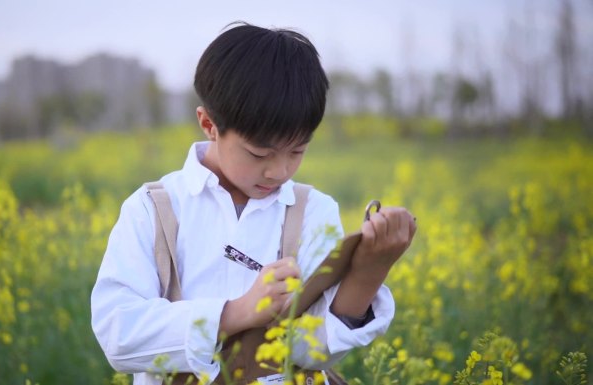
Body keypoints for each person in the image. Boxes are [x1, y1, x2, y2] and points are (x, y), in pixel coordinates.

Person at [91, 22, 416, 385]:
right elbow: (117, 334)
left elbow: (315, 351)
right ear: (209, 124)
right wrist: (235, 313)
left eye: (297, 151)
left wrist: (371, 268)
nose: (279, 170)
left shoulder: (312, 212)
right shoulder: (154, 210)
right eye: (259, 153)